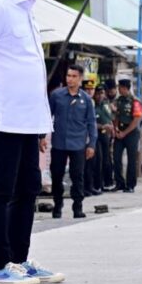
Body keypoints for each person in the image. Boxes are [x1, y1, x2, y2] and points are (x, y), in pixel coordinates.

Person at [0, 0, 64, 284]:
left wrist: (40, 127)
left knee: (28, 189)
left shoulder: (28, 8)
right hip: (1, 119)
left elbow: (29, 70)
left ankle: (18, 258)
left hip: (27, 120)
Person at [48, 64, 97, 218]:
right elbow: (47, 117)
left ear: (80, 79)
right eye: (68, 76)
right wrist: (42, 136)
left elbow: (91, 123)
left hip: (78, 144)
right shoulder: (56, 96)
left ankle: (78, 207)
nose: (70, 79)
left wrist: (91, 145)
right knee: (56, 175)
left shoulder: (86, 100)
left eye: (74, 76)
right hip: (59, 143)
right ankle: (57, 206)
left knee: (77, 177)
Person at [112, 79, 142, 193]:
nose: (118, 89)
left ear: (125, 88)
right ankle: (119, 183)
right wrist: (117, 129)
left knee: (131, 159)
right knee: (116, 157)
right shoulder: (118, 100)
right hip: (120, 132)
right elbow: (116, 116)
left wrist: (125, 133)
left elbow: (136, 120)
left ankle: (130, 185)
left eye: (120, 87)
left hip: (131, 133)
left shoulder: (135, 101)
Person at [93, 84, 114, 192]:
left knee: (107, 160)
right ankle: (98, 184)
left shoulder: (106, 105)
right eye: (97, 93)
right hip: (95, 136)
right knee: (98, 160)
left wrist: (112, 128)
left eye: (101, 93)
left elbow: (110, 118)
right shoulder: (92, 105)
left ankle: (107, 182)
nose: (100, 96)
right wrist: (102, 126)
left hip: (106, 135)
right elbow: (90, 123)